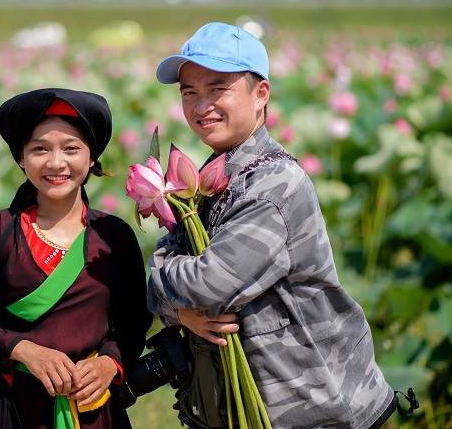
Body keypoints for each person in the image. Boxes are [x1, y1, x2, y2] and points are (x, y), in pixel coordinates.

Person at [147, 23, 399, 428]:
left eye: (217, 89)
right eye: (189, 93)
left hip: (315, 410)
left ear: (260, 94)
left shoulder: (273, 186)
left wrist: (169, 290)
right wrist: (181, 310)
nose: (200, 105)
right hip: (249, 407)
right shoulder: (215, 174)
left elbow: (207, 287)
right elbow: (186, 283)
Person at [0, 87, 152, 429]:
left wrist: (110, 363)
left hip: (93, 411)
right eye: (40, 149)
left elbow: (134, 322)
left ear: (91, 157)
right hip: (12, 408)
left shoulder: (114, 235)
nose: (56, 163)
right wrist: (24, 350)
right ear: (22, 158)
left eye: (71, 148)